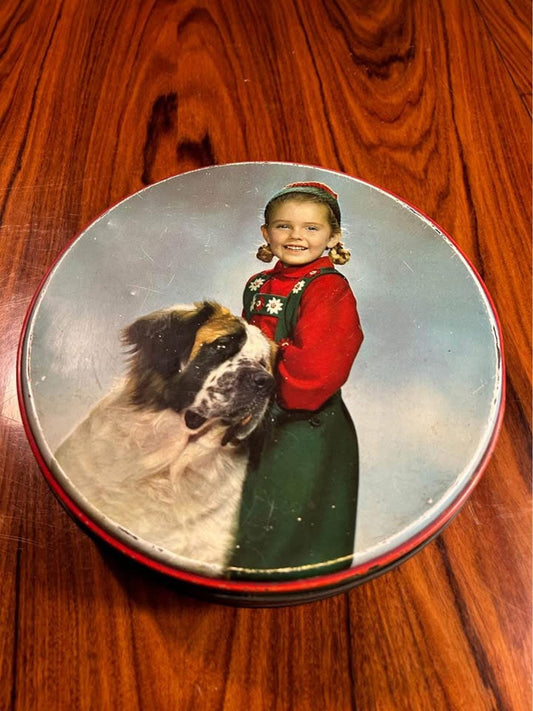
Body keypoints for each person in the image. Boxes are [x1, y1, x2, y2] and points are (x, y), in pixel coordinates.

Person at [227, 182, 364, 580]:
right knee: (244, 511)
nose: (296, 237)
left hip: (303, 424)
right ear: (266, 234)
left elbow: (320, 368)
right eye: (284, 227)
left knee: (289, 519)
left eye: (311, 229)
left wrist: (267, 384)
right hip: (254, 417)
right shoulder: (257, 285)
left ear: (333, 237)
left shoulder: (328, 289)